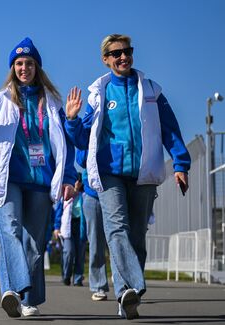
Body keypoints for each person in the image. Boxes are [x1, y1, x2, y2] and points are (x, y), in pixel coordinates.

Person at [64, 34, 191, 319]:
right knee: (117, 229)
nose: (123, 57)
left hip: (144, 171)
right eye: (116, 53)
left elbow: (170, 130)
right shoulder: (100, 91)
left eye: (127, 51)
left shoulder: (150, 90)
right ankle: (130, 288)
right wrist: (72, 121)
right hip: (110, 173)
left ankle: (125, 297)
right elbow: (83, 139)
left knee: (137, 237)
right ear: (106, 59)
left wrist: (181, 164)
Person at [0, 37, 77, 318]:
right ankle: (13, 290)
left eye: (28, 63)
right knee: (11, 231)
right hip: (8, 180)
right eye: (18, 63)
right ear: (12, 68)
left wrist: (67, 177)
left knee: (33, 244)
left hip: (41, 181)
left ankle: (25, 299)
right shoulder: (0, 100)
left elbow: (65, 145)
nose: (24, 67)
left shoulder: (52, 102)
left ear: (37, 67)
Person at [77, 149, 109, 301]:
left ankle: (126, 285)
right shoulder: (88, 127)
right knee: (96, 242)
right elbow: (81, 159)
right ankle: (98, 285)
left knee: (120, 239)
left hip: (118, 190)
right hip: (93, 194)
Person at [53, 175, 87, 287]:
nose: (77, 183)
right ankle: (66, 275)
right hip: (67, 226)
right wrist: (56, 227)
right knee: (68, 251)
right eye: (76, 180)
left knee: (80, 253)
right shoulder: (66, 195)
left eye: (79, 181)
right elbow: (58, 212)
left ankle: (77, 278)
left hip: (80, 226)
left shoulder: (84, 196)